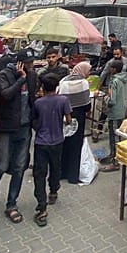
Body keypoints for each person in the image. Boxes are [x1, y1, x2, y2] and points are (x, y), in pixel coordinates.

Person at [0, 49, 38, 224]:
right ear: (19, 63)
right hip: (6, 127)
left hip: (24, 127)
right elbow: (6, 95)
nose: (32, 65)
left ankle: (11, 204)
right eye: (29, 62)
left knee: (19, 167)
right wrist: (21, 78)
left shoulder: (32, 75)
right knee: (2, 164)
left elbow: (32, 98)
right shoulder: (4, 74)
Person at [32, 73, 72, 226]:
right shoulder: (63, 100)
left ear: (42, 87)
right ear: (57, 86)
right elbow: (68, 120)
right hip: (57, 141)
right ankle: (53, 191)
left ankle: (42, 207)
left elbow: (34, 121)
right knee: (56, 168)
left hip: (41, 142)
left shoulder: (38, 103)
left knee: (39, 173)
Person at [57, 61, 92, 184]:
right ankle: (73, 176)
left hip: (64, 118)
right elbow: (87, 105)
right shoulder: (84, 83)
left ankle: (61, 173)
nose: (89, 73)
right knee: (76, 146)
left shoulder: (64, 81)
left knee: (64, 144)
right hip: (79, 118)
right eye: (88, 71)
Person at [100, 59, 127, 172]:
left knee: (114, 136)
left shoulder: (114, 82)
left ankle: (116, 162)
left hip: (114, 112)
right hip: (122, 110)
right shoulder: (126, 79)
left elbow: (112, 100)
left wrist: (105, 98)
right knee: (119, 135)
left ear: (113, 69)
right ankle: (113, 155)